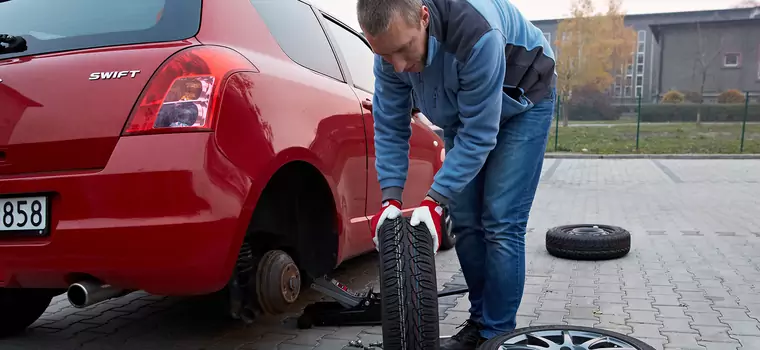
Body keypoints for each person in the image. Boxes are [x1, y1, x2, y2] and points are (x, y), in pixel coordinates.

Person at [357, 0, 557, 348]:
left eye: (405, 50)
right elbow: (389, 126)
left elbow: (480, 134)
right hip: (462, 112)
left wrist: (433, 201)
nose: (400, 66)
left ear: (423, 17)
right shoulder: (390, 50)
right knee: (464, 220)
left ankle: (496, 334)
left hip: (525, 100)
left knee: (500, 221)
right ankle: (479, 324)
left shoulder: (476, 32)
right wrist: (390, 197)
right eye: (388, 56)